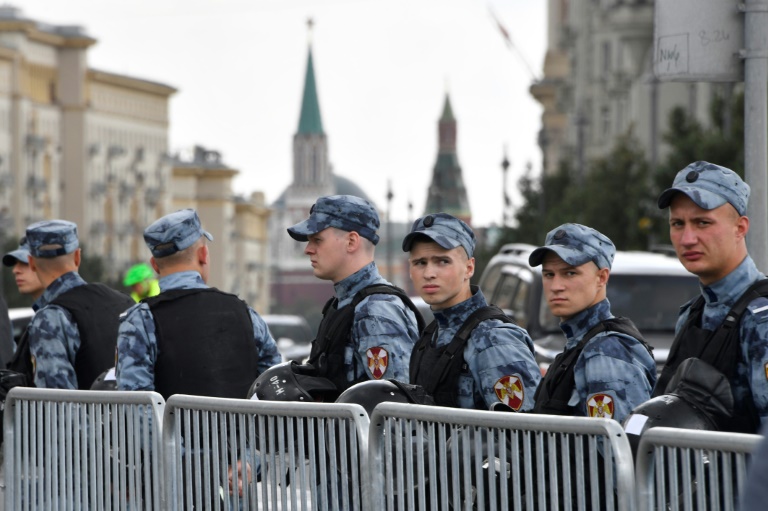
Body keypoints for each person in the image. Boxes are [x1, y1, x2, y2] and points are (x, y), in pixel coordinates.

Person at [116, 208, 281, 399]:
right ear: (203, 254)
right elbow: (274, 384)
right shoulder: (244, 313)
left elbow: (137, 403)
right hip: (242, 429)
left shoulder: (140, 320)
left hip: (174, 429)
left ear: (154, 265)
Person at [654, 160, 768, 433]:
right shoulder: (694, 313)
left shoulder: (760, 319)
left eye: (702, 223)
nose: (688, 238)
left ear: (740, 228)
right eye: (678, 223)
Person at [286, 195, 422, 398]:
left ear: (351, 241)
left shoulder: (375, 311)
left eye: (317, 240)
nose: (308, 249)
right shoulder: (345, 304)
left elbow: (396, 410)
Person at [403, 212, 541, 411]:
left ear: (469, 268)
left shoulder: (493, 339)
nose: (429, 273)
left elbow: (526, 434)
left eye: (443, 261)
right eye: (420, 263)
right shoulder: (430, 336)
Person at [528, 223, 656, 423]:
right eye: (549, 274)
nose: (556, 286)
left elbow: (619, 446)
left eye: (570, 273)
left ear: (601, 277)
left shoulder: (606, 351)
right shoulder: (581, 343)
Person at [24, 220, 134, 389]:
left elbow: (56, 401)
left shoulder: (49, 318)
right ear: (77, 256)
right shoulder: (125, 302)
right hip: (133, 414)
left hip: (87, 415)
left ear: (31, 263)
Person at [2, 237, 45, 379]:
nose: (16, 270)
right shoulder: (40, 315)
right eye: (16, 264)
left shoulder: (58, 315)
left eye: (25, 263)